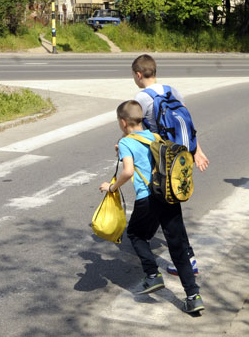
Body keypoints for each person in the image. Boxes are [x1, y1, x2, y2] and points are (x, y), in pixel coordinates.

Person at [99, 100, 205, 314]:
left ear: (122, 122)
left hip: (148, 198)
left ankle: (152, 275)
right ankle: (193, 297)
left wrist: (112, 187)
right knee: (177, 247)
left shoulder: (128, 142)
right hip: (168, 196)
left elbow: (128, 171)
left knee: (136, 235)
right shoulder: (156, 137)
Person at [131, 53, 208, 276]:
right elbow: (188, 124)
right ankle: (154, 240)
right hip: (180, 157)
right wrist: (197, 151)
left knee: (169, 209)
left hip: (161, 161)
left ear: (138, 74)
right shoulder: (172, 90)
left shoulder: (142, 97)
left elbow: (135, 130)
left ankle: (187, 258)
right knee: (167, 206)